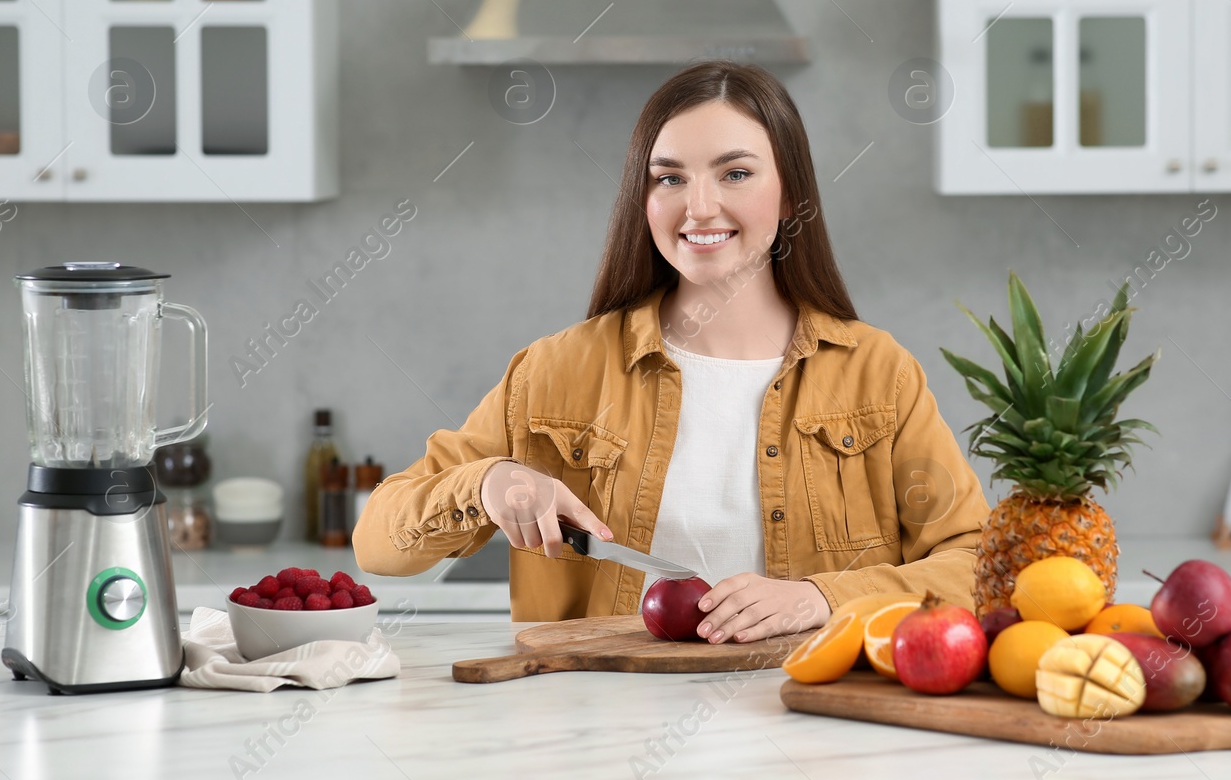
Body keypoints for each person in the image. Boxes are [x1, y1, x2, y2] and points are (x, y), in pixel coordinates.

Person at [353, 61, 991, 643]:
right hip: (592, 734)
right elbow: (377, 542)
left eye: (735, 173)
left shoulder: (878, 374)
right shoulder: (555, 372)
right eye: (670, 178)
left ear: (791, 193)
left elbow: (977, 566)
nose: (700, 206)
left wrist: (823, 598)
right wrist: (489, 481)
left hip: (812, 727)